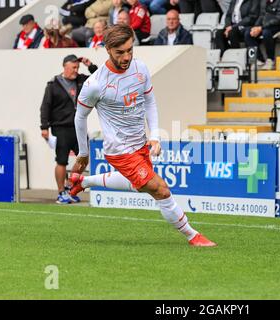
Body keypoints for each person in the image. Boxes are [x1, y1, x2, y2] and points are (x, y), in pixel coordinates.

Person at [69, 24, 216, 247]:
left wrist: (154, 135)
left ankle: (86, 181)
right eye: (120, 52)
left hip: (140, 144)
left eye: (130, 50)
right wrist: (83, 153)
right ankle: (192, 235)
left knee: (138, 184)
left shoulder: (140, 69)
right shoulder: (95, 84)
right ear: (108, 49)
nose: (127, 56)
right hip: (119, 150)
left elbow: (149, 101)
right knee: (160, 188)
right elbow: (80, 118)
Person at [40, 55, 98, 204]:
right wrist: (44, 127)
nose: (76, 70)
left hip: (79, 126)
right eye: (73, 67)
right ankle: (61, 192)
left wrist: (89, 65)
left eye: (77, 67)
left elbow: (98, 77)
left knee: (83, 159)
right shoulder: (53, 84)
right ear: (65, 66)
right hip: (60, 127)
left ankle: (69, 187)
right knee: (61, 160)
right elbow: (45, 106)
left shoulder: (80, 80)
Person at [244, 0, 280, 70]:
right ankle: (259, 60)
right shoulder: (265, 1)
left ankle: (271, 60)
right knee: (248, 33)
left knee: (266, 33)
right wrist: (256, 27)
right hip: (266, 26)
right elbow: (262, 16)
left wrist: (261, 28)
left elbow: (279, 19)